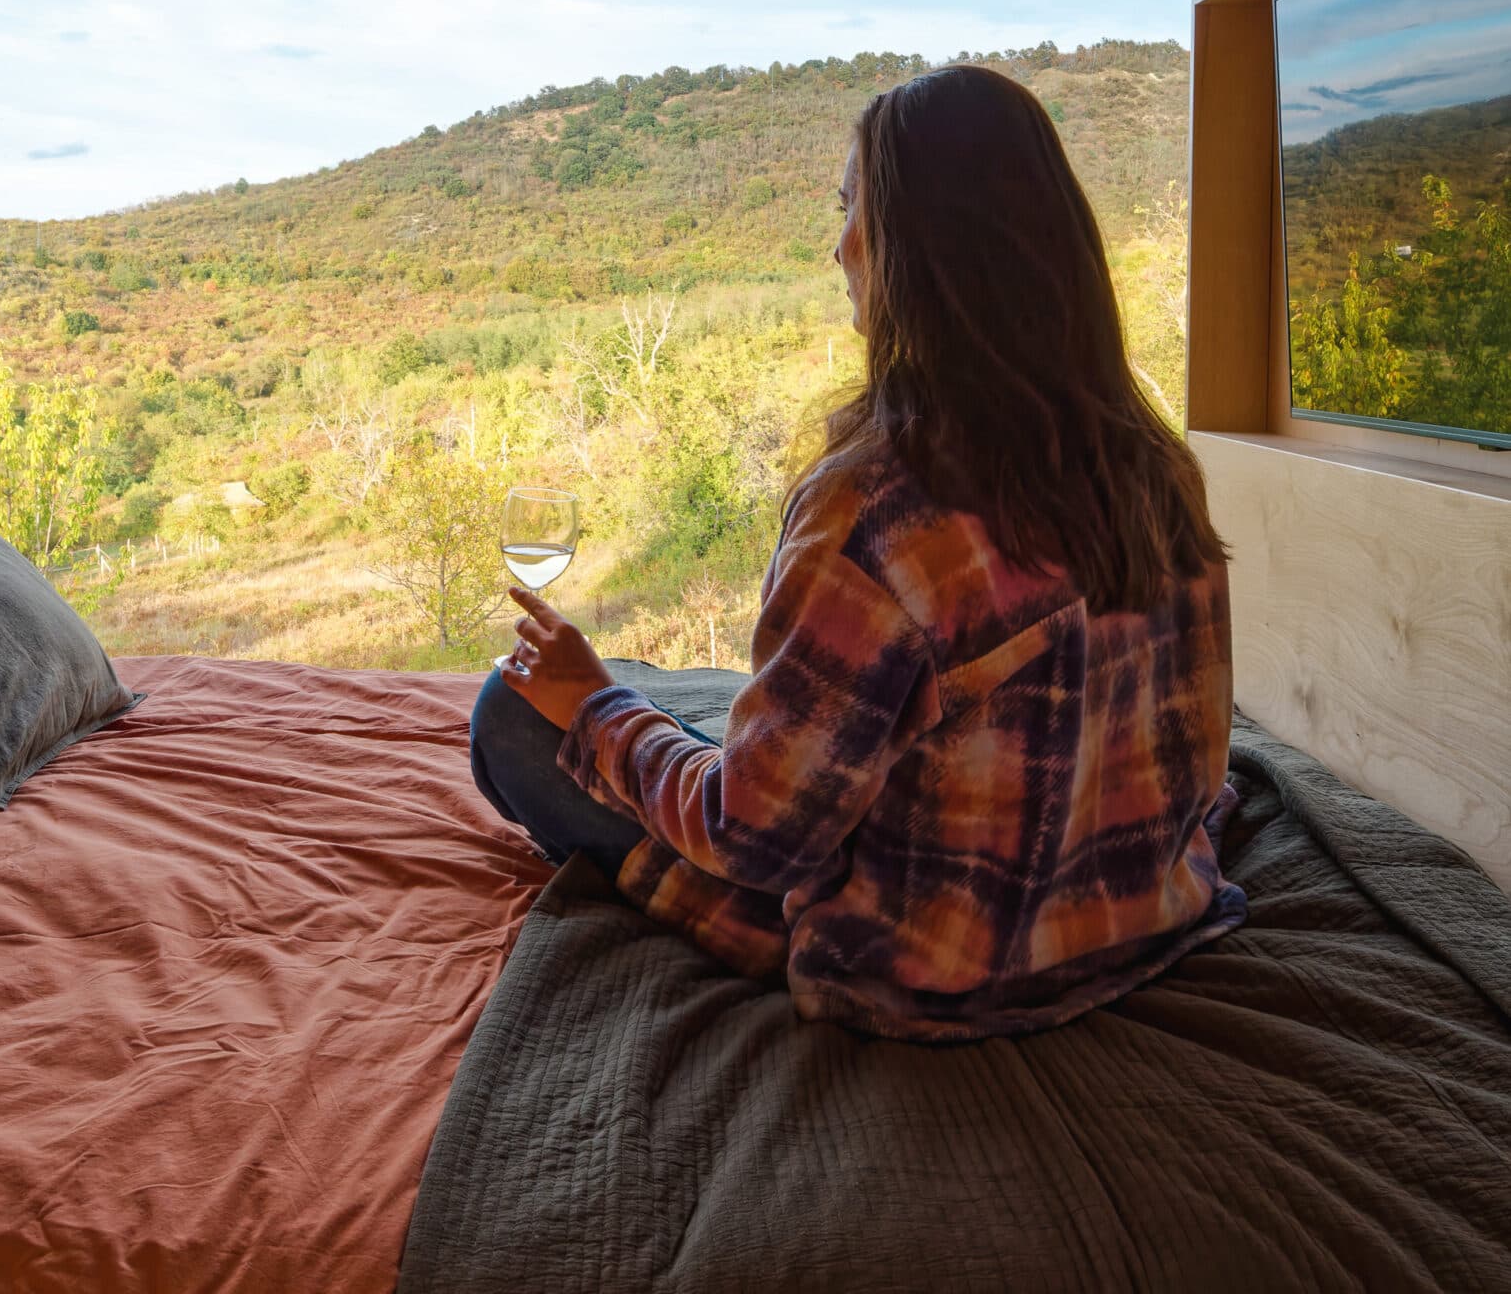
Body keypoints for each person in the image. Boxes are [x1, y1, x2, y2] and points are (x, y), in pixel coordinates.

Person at [470, 65, 1243, 1043]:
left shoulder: (877, 512)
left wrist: (593, 708)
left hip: (929, 974)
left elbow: (756, 838)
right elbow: (1202, 759)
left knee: (512, 711)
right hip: (1144, 923)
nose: (839, 248)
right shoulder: (1156, 464)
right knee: (677, 704)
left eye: (854, 211)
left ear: (923, 251)